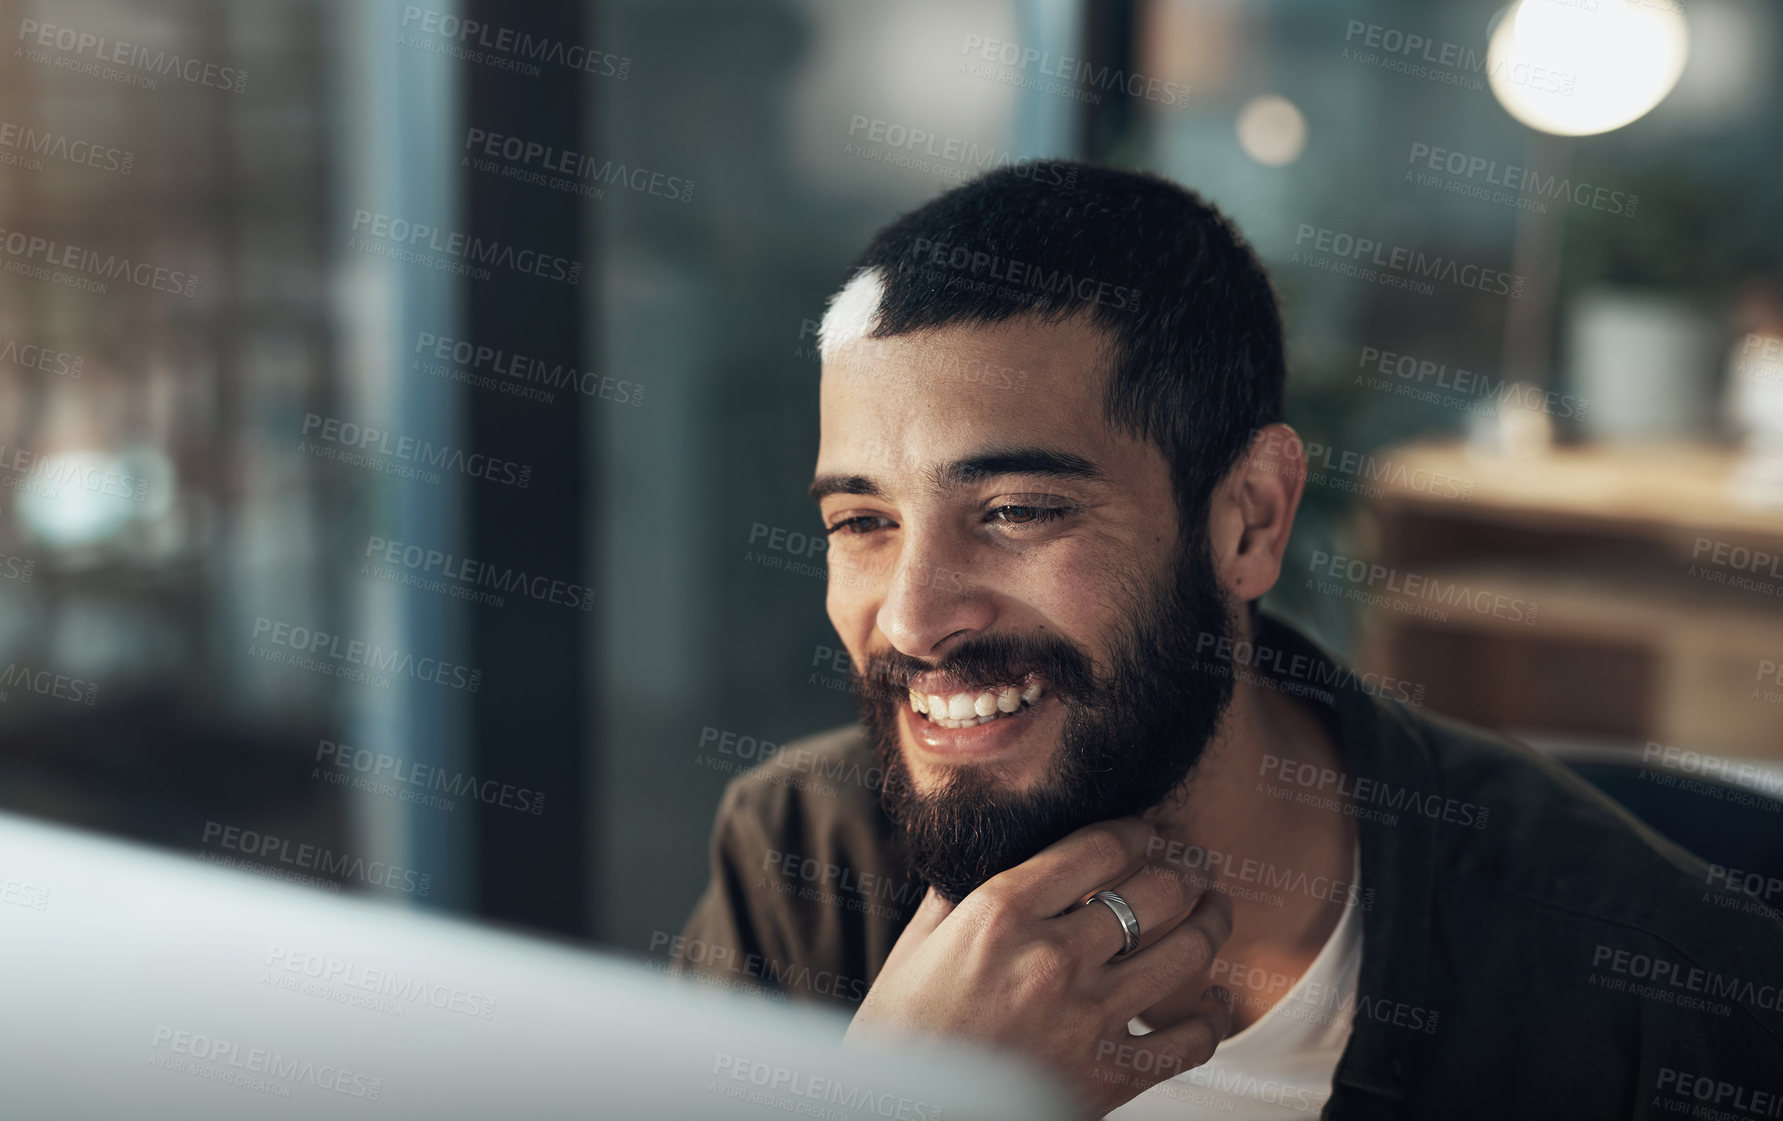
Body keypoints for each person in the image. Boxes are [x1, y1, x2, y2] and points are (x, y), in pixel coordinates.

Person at [676, 162, 1783, 1118]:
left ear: (1247, 517)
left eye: (1017, 510)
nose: (915, 617)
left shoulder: (1655, 994)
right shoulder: (802, 860)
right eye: (862, 523)